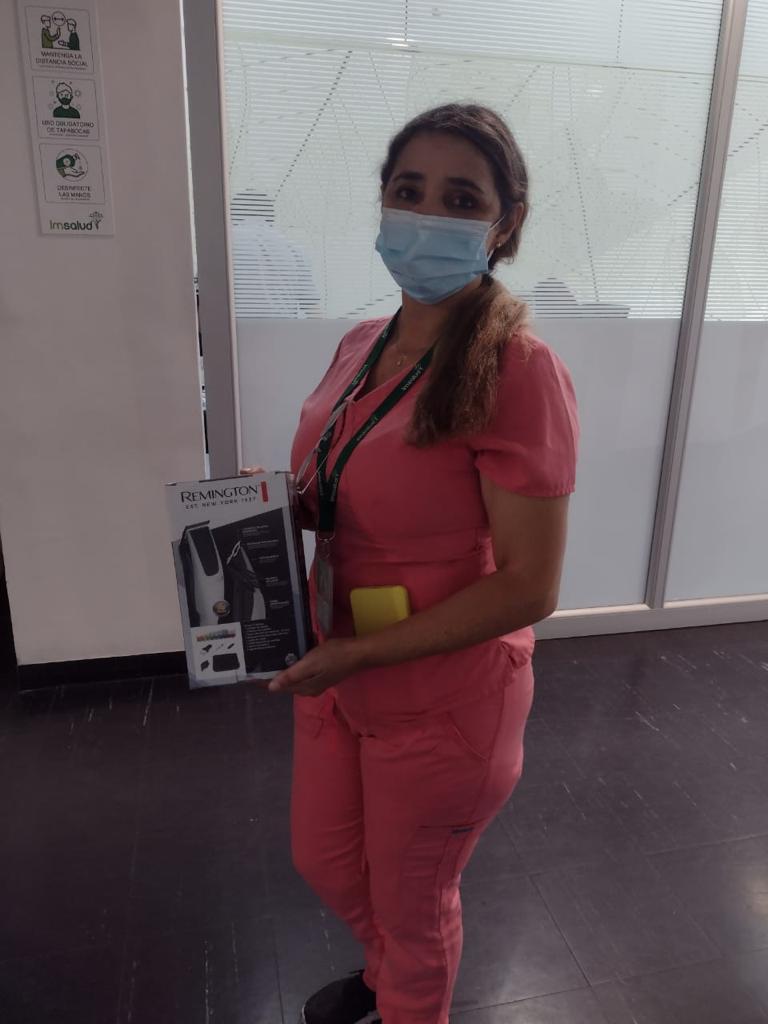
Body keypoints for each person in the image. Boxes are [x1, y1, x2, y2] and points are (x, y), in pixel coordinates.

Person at [242, 103, 578, 1024]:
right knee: (325, 858)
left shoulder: (519, 369)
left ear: (503, 222)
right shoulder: (363, 343)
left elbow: (530, 584)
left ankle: (404, 991)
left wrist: (360, 654)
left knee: (416, 899)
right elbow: (342, 477)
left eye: (460, 199)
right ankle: (387, 967)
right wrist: (269, 512)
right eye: (408, 190)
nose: (426, 214)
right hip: (335, 661)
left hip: (442, 694)